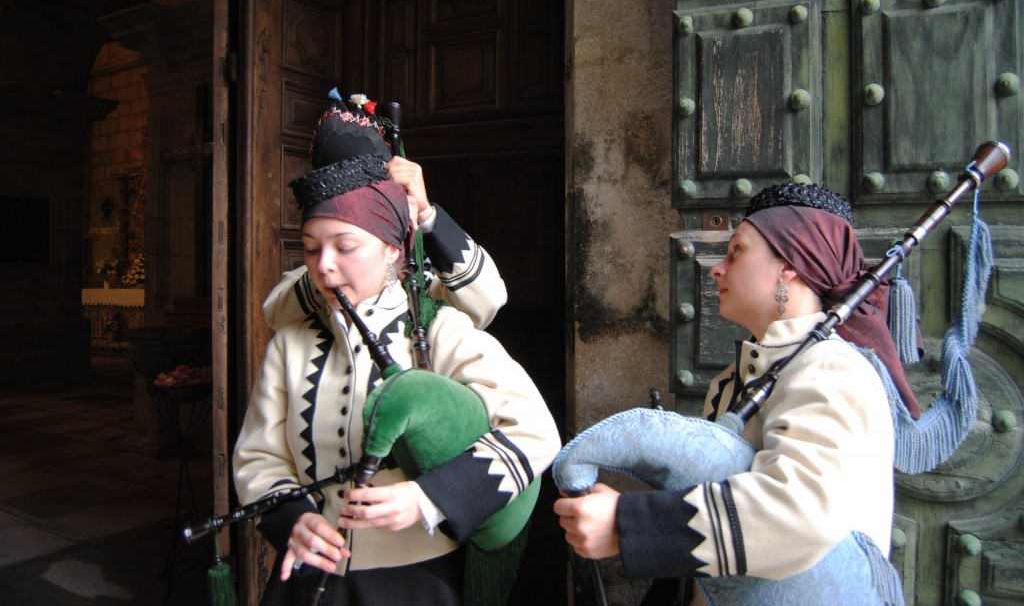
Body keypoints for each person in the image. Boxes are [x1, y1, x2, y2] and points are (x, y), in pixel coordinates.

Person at [233, 99, 561, 605]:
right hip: (307, 581)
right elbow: (259, 455)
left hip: (417, 580)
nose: (323, 265)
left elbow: (535, 430)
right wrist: (290, 519)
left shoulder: (438, 327)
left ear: (394, 248)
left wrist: (429, 499)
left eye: (345, 246)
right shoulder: (290, 344)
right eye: (311, 247)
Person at [553, 183, 916, 604]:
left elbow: (803, 513)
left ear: (788, 266)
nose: (717, 269)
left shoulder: (833, 366)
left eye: (736, 251)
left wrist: (630, 525)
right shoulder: (732, 380)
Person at [263, 95, 506, 333]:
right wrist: (347, 261)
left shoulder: (424, 281)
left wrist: (424, 213)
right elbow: (275, 311)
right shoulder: (317, 273)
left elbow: (486, 301)